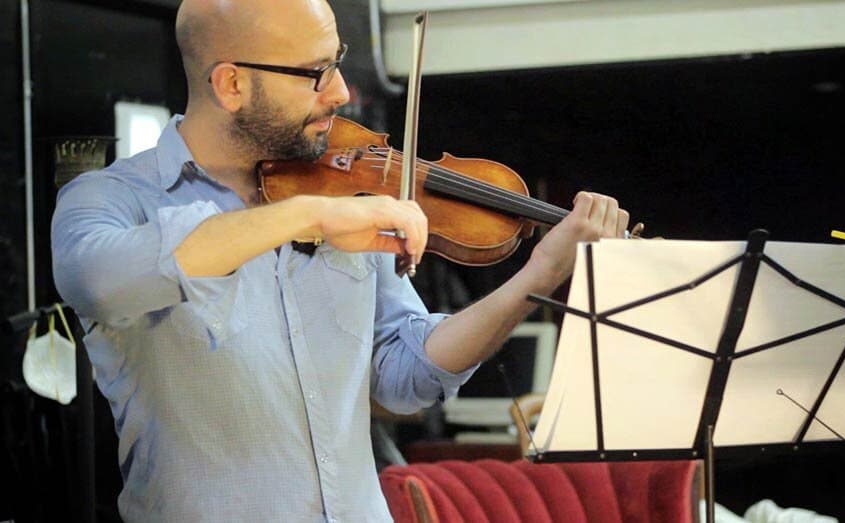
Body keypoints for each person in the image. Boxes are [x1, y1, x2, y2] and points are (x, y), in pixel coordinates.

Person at [50, 0, 630, 520]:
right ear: (230, 85)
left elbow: (405, 376)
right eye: (313, 73)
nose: (341, 92)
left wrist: (541, 273)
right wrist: (310, 218)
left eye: (337, 62)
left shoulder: (342, 188)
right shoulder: (111, 200)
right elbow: (98, 281)